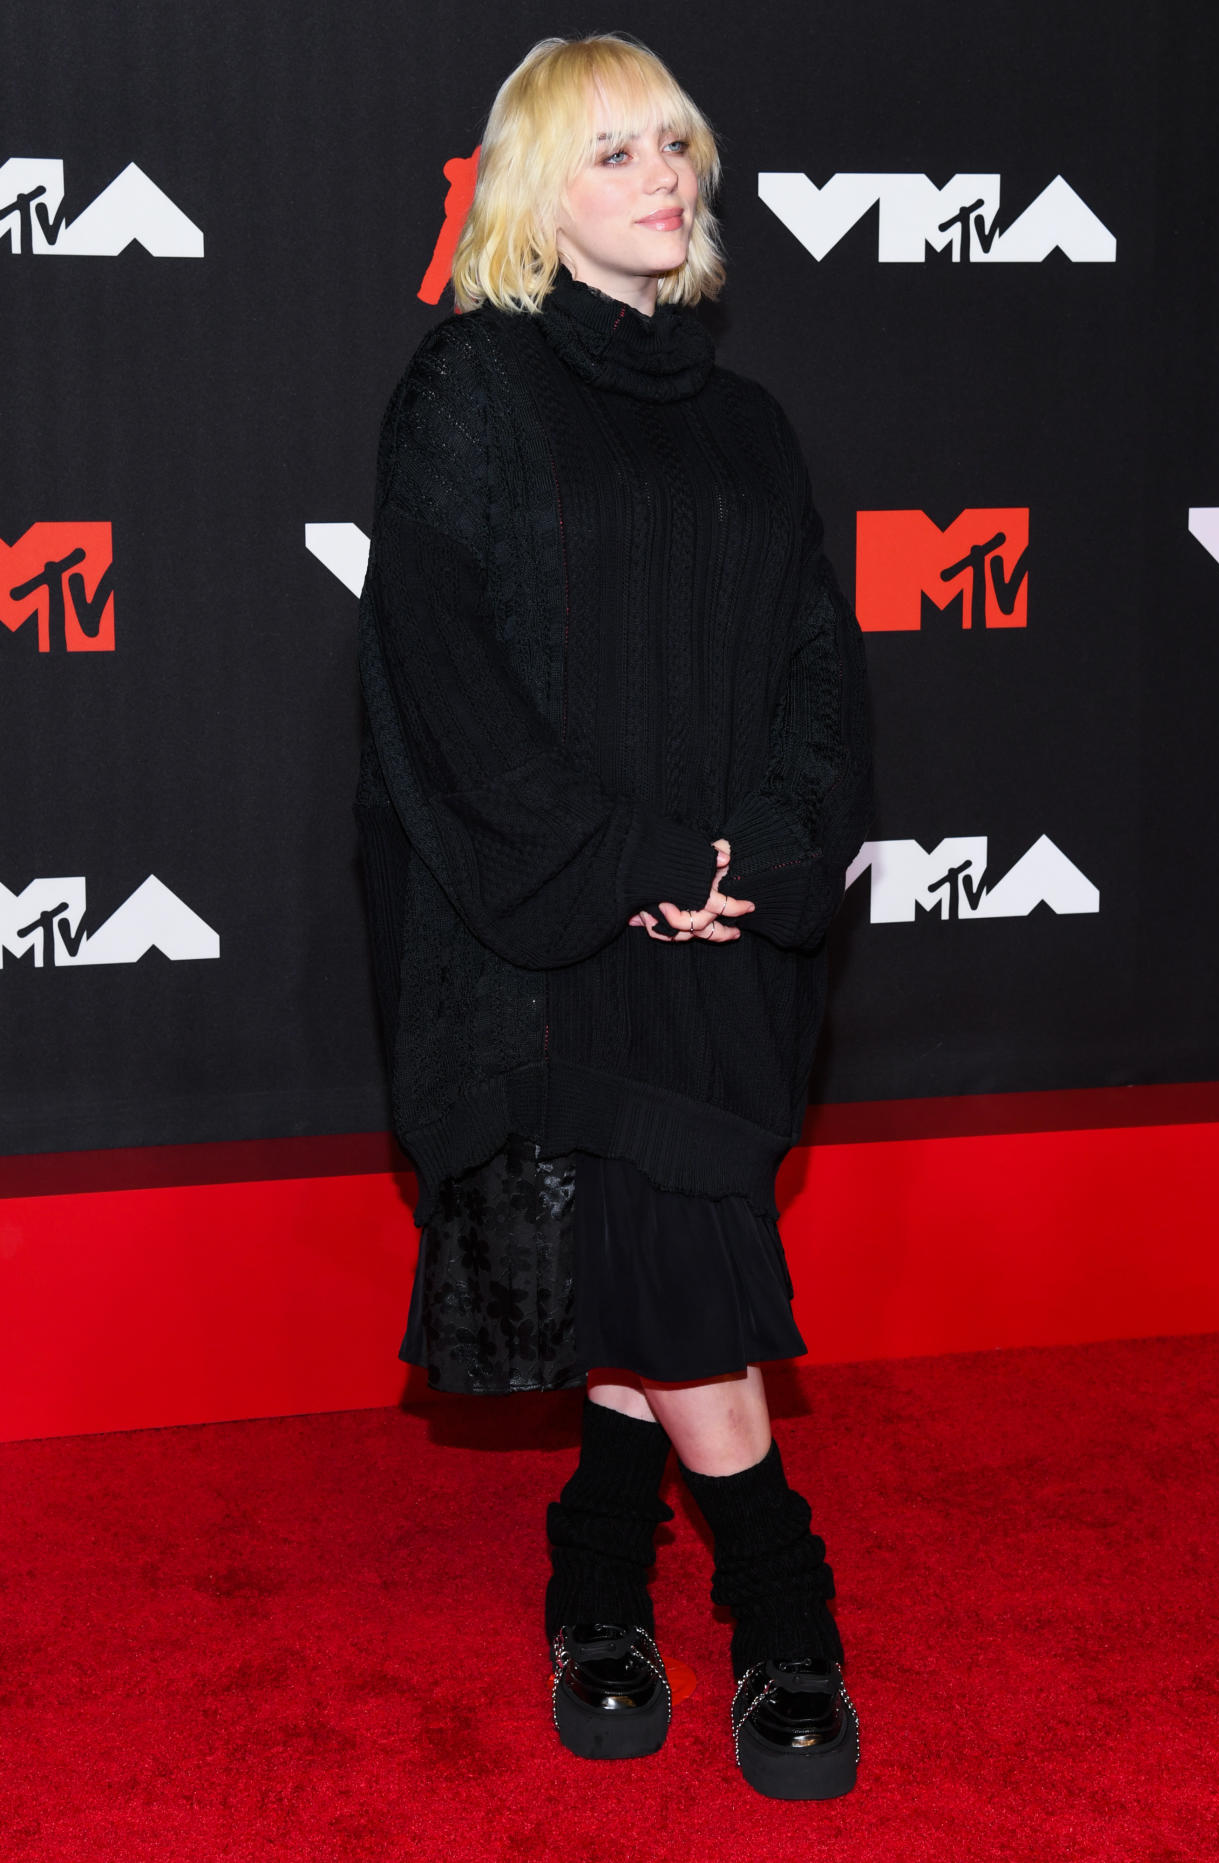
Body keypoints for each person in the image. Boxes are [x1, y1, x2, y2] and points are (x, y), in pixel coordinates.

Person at [355, 32, 872, 1800]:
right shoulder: (467, 393)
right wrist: (632, 864)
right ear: (529, 197)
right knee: (686, 1279)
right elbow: (442, 679)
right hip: (551, 945)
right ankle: (785, 1611)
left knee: (650, 1274)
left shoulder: (749, 424)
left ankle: (593, 1571)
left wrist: (764, 858)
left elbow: (816, 667)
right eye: (610, 155)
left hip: (723, 929)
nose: (661, 178)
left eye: (672, 145)